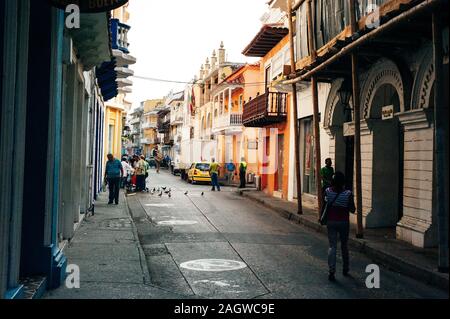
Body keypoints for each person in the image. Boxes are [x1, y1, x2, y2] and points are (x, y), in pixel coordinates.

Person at [325, 171, 356, 282]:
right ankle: (345, 268)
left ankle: (332, 270)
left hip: (331, 221)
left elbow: (326, 204)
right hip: (344, 222)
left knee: (332, 246)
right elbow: (353, 209)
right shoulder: (348, 194)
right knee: (344, 245)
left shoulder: (328, 191)